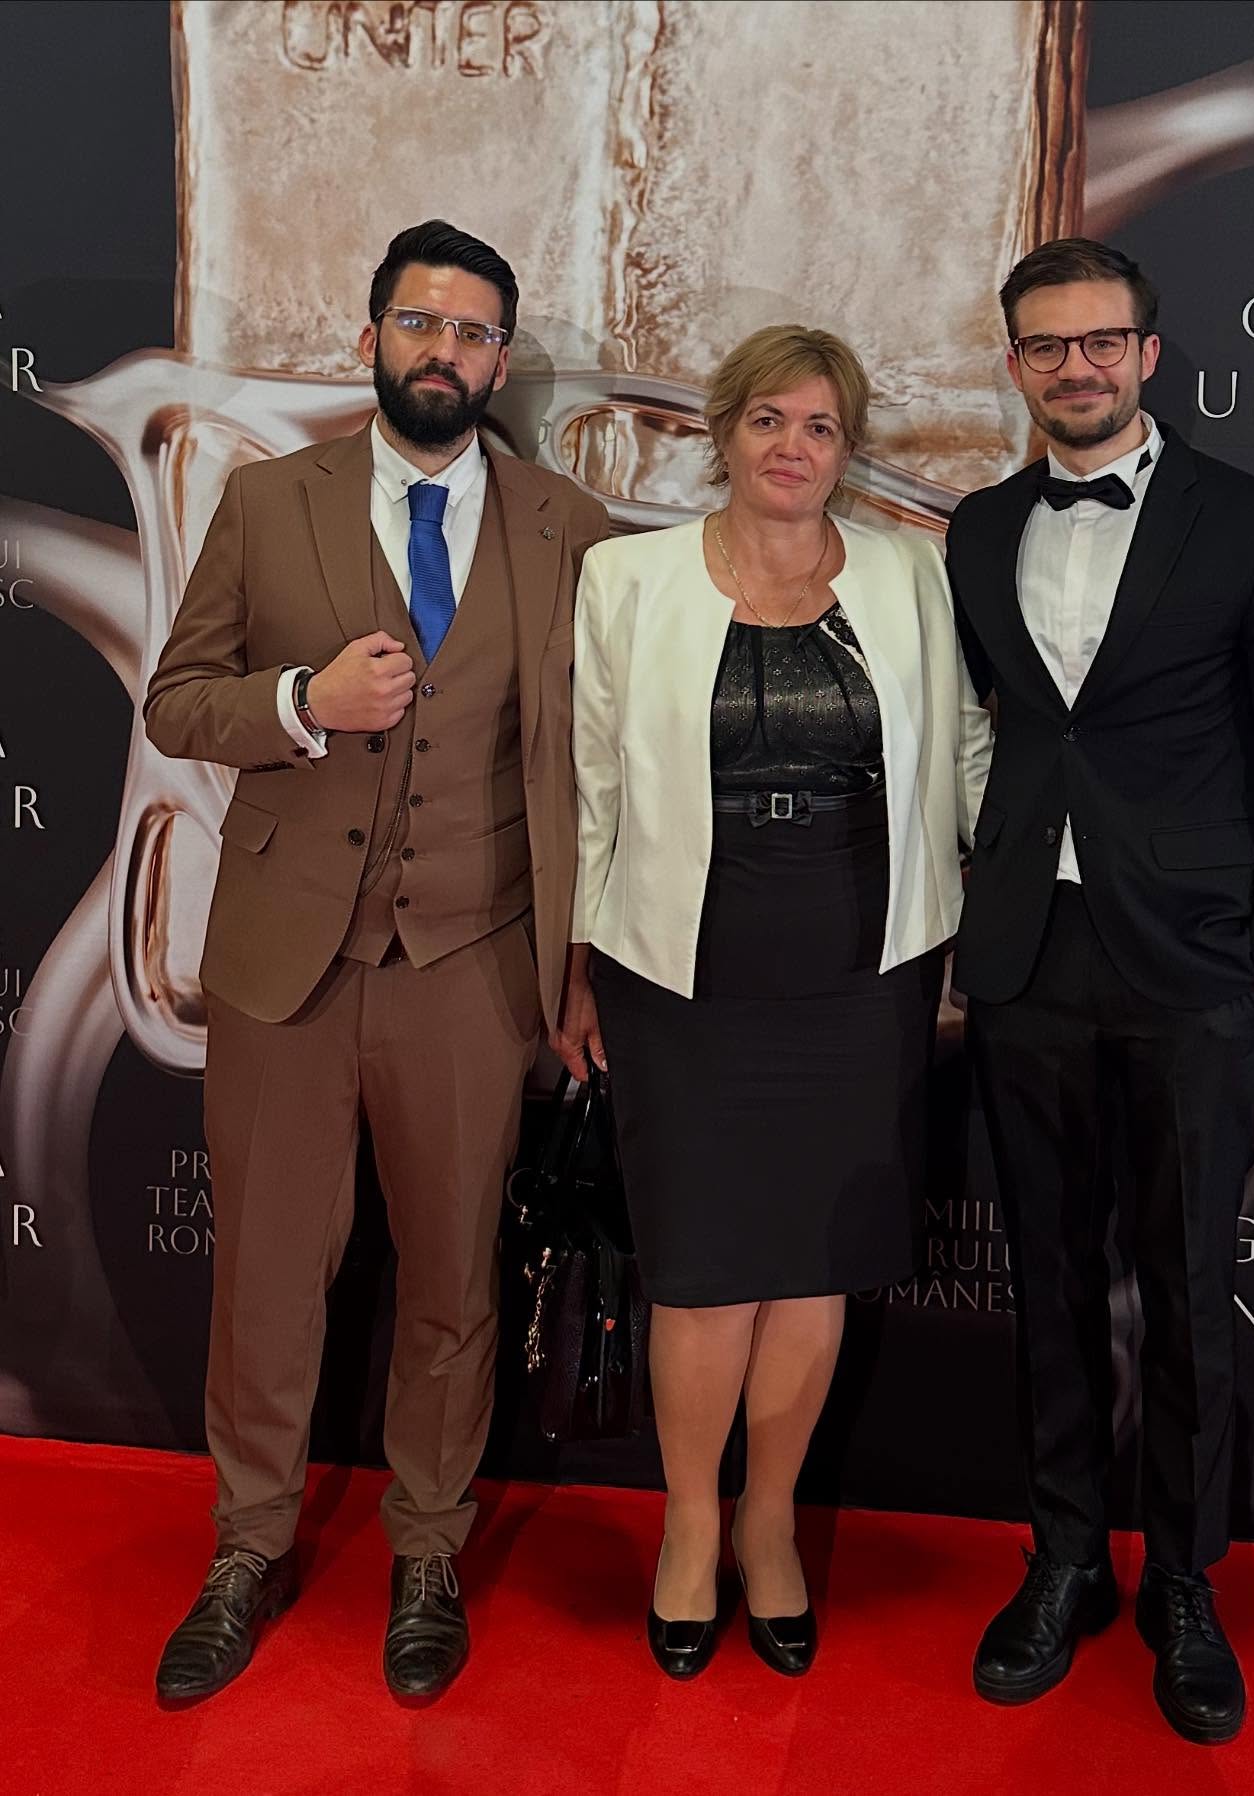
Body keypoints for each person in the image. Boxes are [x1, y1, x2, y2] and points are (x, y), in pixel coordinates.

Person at [144, 219, 609, 1703]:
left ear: (500, 361)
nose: (444, 352)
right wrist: (301, 700)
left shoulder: (567, 525)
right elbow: (177, 702)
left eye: (473, 332)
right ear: (370, 338)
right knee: (268, 1280)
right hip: (286, 960)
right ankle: (247, 1546)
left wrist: (582, 965)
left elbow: (599, 766)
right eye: (420, 322)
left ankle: (427, 1550)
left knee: (455, 1280)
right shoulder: (266, 501)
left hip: (473, 964)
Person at [945, 238, 1254, 1744]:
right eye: (1047, 346)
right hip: (1027, 955)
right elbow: (992, 731)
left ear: (1149, 354)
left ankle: (1183, 1578)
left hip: (1193, 961)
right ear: (1015, 364)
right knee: (1048, 1275)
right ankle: (1064, 1556)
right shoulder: (980, 529)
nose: (1077, 368)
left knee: (1186, 1280)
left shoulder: (1253, 522)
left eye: (1101, 342)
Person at [554, 324, 990, 1680]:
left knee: (811, 1262)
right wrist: (575, 963)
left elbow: (965, 747)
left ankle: (770, 1520)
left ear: (846, 449)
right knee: (700, 1270)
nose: (792, 447)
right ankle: (690, 1526)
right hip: (681, 968)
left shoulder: (912, 572)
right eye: (768, 420)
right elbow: (593, 784)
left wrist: (1030, 890)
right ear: (723, 432)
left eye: (819, 426)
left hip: (863, 967)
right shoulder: (626, 577)